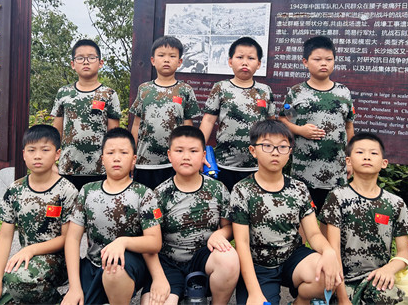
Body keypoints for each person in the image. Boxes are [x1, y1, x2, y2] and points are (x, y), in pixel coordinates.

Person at [230, 120, 342, 305]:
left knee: (328, 274)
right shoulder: (242, 190)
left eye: (282, 147)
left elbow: (313, 234)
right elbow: (241, 243)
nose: (275, 152)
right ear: (253, 150)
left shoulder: (299, 188)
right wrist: (254, 293)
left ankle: (301, 301)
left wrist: (328, 251)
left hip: (292, 258)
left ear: (289, 152)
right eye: (267, 146)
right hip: (259, 266)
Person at [62, 128, 163, 305]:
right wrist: (74, 287)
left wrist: (122, 242)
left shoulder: (144, 194)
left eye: (123, 153)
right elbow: (72, 238)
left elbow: (154, 242)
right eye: (110, 153)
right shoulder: (87, 191)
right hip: (93, 264)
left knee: (114, 268)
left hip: (127, 265)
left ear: (134, 159)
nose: (116, 158)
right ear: (102, 159)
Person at [0, 125, 78, 305]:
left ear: (57, 154)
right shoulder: (15, 190)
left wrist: (31, 249)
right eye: (31, 150)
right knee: (0, 295)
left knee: (19, 280)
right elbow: (5, 237)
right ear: (24, 154)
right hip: (29, 259)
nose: (37, 156)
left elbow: (67, 238)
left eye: (45, 150)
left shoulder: (66, 191)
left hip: (60, 261)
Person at [141, 126, 239, 305]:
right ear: (169, 155)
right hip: (168, 263)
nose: (186, 156)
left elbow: (229, 227)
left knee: (229, 258)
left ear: (203, 156)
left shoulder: (218, 189)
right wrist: (158, 278)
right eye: (179, 151)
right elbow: (149, 242)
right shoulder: (158, 194)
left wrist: (221, 234)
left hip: (204, 259)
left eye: (193, 151)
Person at [319, 132, 408, 304]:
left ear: (384, 163)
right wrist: (342, 298)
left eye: (373, 153)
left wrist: (388, 269)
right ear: (348, 161)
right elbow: (333, 251)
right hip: (342, 280)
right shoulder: (337, 197)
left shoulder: (395, 203)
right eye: (360, 152)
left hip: (377, 279)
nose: (367, 157)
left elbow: (404, 252)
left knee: (392, 297)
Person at [279, 35, 355, 215]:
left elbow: (349, 127)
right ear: (305, 62)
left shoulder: (343, 92)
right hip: (304, 170)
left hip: (336, 171)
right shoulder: (297, 92)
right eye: (317, 59)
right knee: (304, 214)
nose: (324, 64)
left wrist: (350, 160)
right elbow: (283, 120)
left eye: (329, 59)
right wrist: (300, 130)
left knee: (333, 216)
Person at [199, 36, 276, 191]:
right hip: (224, 163)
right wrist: (197, 151)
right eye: (240, 57)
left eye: (251, 58)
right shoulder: (221, 88)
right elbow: (208, 121)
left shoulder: (265, 91)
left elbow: (271, 125)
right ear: (230, 61)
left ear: (259, 64)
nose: (245, 62)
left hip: (257, 164)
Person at [130, 36, 201, 189]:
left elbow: (188, 126)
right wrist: (131, 155)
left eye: (172, 56)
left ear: (180, 62)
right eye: (161, 55)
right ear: (153, 60)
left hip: (175, 162)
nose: (166, 60)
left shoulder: (185, 90)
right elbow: (136, 125)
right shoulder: (144, 89)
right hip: (145, 162)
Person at [51, 39, 121, 190]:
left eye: (91, 57)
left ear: (100, 63)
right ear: (73, 64)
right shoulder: (64, 93)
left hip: (99, 169)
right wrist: (52, 163)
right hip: (68, 167)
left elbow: (114, 135)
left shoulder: (109, 94)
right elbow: (56, 132)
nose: (86, 62)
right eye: (80, 58)